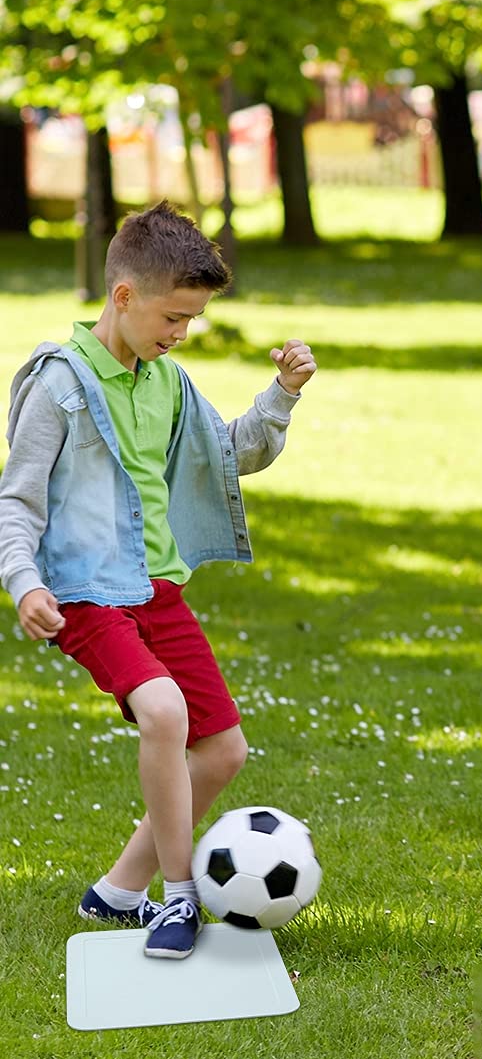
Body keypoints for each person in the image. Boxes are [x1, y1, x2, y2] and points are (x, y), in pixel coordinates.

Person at [0, 202, 316, 960]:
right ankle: (178, 900)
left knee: (224, 751)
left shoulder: (166, 382)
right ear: (123, 296)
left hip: (154, 592)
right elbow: (17, 497)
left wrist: (283, 394)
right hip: (82, 594)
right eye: (173, 317)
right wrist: (24, 584)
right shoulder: (59, 384)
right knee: (165, 713)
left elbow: (232, 453)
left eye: (192, 322)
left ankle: (115, 893)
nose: (180, 334)